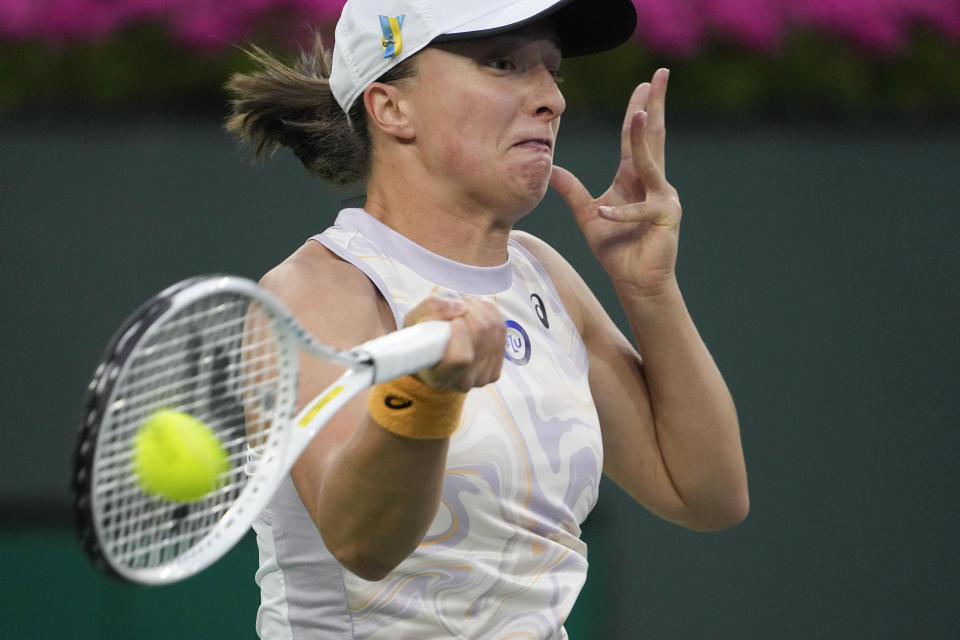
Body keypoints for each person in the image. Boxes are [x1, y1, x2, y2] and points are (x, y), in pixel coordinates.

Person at [225, 0, 749, 637]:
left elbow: (706, 494)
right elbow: (363, 543)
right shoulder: (317, 292)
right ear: (391, 106)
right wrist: (424, 392)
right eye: (504, 63)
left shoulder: (543, 273)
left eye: (552, 71)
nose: (551, 98)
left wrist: (651, 291)